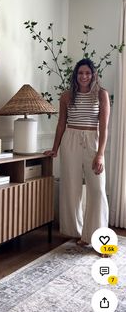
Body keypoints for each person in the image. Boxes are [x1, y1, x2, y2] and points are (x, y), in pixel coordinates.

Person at [44, 58, 110, 247]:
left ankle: (98, 238)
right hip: (70, 141)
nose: (84, 76)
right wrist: (55, 148)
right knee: (71, 188)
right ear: (75, 75)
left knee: (97, 191)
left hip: (92, 140)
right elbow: (61, 124)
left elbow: (104, 128)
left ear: (93, 75)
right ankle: (79, 233)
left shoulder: (101, 95)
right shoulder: (66, 96)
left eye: (87, 73)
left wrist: (100, 154)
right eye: (80, 73)